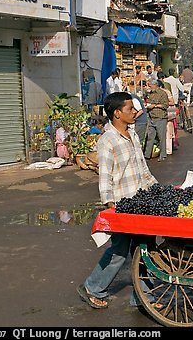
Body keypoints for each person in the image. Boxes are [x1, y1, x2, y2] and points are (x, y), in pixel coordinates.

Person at [77, 91, 158, 310]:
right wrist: (109, 203)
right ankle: (92, 287)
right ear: (117, 113)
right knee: (119, 251)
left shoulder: (133, 134)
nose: (134, 112)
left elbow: (142, 167)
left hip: (141, 201)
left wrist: (156, 187)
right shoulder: (107, 141)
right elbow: (105, 176)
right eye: (130, 109)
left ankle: (143, 297)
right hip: (122, 204)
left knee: (145, 248)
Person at [143, 79, 169, 161]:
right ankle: (147, 154)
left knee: (161, 138)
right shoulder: (150, 94)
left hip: (160, 117)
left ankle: (163, 155)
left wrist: (154, 106)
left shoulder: (162, 93)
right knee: (150, 137)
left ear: (155, 85)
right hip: (151, 117)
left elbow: (165, 105)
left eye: (150, 85)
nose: (149, 87)